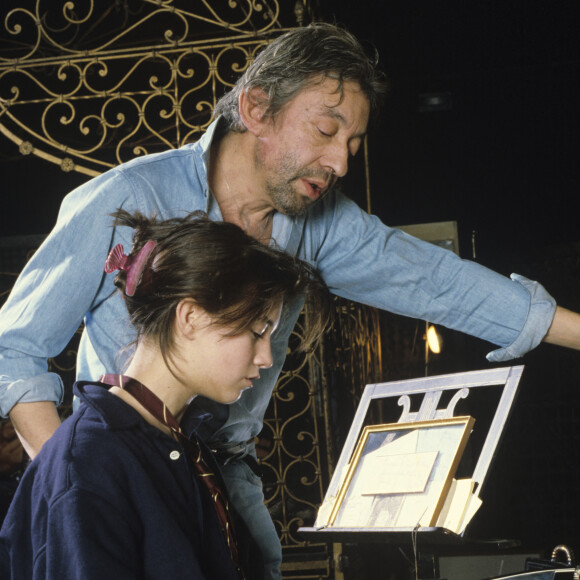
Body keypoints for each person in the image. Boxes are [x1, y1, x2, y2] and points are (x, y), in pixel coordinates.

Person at [0, 21, 579, 580]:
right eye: (327, 132)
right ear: (256, 109)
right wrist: (83, 479)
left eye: (353, 143)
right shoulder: (126, 196)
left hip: (227, 480)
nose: (342, 163)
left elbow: (437, 280)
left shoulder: (320, 222)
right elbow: (15, 347)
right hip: (123, 476)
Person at [0, 209, 330, 579]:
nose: (267, 357)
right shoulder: (87, 463)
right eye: (256, 331)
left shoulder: (183, 445)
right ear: (190, 317)